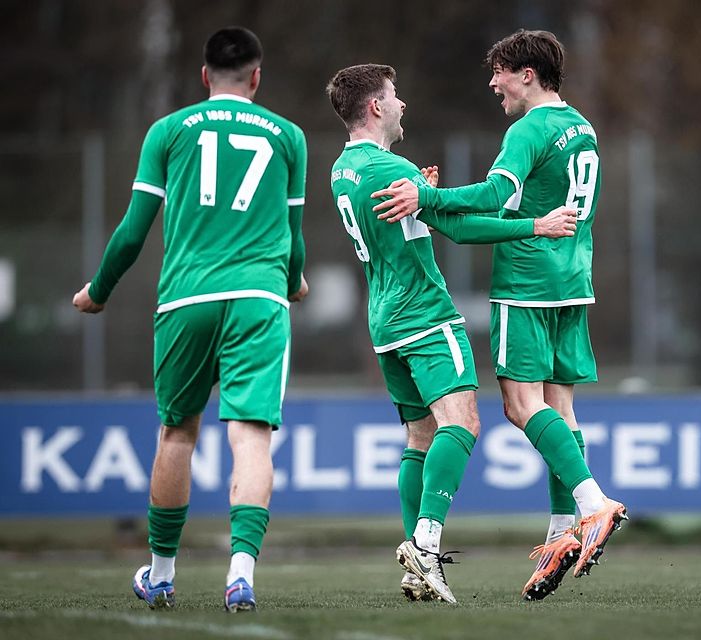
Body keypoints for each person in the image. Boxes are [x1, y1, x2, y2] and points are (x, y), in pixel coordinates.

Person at [371, 29, 627, 601]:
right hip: (572, 280)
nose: (494, 84)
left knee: (519, 405)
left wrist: (427, 199)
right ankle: (562, 533)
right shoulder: (580, 126)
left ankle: (593, 504)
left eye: (501, 73)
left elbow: (492, 195)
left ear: (528, 75)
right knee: (560, 408)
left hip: (528, 282)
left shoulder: (529, 128)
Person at [72, 26, 309, 613]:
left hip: (186, 299)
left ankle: (160, 574)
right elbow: (293, 236)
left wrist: (97, 291)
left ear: (205, 76)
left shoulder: (169, 130)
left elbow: (133, 229)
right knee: (251, 437)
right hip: (259, 298)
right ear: (257, 77)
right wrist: (294, 280)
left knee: (177, 434)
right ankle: (241, 573)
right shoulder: (289, 136)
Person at [326, 63, 577, 604]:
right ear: (374, 107)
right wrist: (536, 225)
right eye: (394, 96)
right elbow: (461, 228)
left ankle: (418, 562)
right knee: (461, 423)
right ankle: (425, 545)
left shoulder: (344, 169)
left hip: (385, 319)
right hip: (424, 314)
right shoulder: (391, 170)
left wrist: (426, 195)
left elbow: (406, 223)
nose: (402, 105)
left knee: (419, 438)